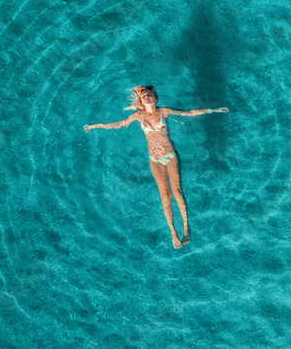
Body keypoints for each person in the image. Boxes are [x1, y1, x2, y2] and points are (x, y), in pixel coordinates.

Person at [85, 85, 227, 248]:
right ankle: (173, 233)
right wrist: (94, 126)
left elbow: (188, 113)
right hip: (155, 160)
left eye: (149, 94)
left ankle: (186, 229)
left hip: (171, 156)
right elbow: (118, 124)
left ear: (155, 98)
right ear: (141, 100)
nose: (146, 96)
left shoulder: (163, 112)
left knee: (178, 193)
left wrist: (213, 110)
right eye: (143, 95)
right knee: (165, 197)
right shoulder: (138, 115)